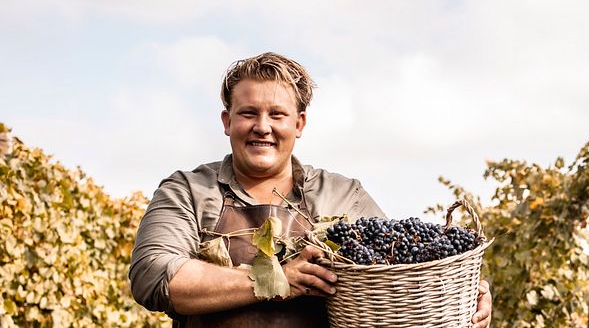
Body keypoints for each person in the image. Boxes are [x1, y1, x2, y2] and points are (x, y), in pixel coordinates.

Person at [129, 52, 492, 327]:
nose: (262, 127)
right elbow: (155, 276)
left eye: (277, 114)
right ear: (227, 121)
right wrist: (275, 279)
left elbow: (403, 267)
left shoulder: (342, 194)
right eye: (248, 113)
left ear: (299, 124)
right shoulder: (187, 192)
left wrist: (467, 295)